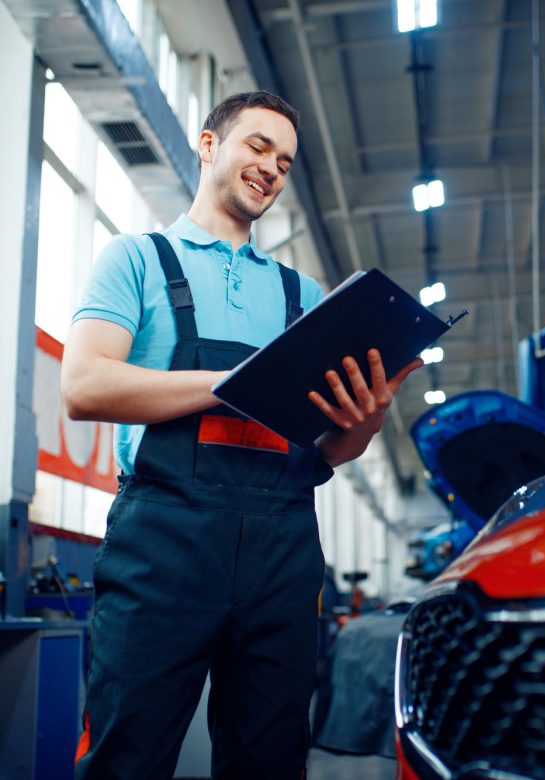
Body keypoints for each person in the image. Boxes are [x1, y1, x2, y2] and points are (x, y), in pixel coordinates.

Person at [62, 90, 421, 780]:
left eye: (284, 162)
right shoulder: (136, 259)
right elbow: (84, 387)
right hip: (162, 544)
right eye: (258, 146)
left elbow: (328, 453)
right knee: (127, 754)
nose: (271, 168)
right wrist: (238, 381)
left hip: (282, 550)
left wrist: (367, 418)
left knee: (270, 758)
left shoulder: (305, 298)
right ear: (208, 145)